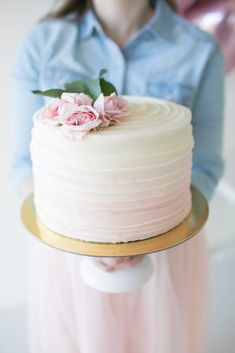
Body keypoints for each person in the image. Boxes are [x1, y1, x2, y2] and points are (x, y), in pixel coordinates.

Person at [11, 0, 224, 352]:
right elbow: (23, 163)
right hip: (68, 250)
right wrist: (85, 233)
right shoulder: (43, 43)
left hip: (168, 248)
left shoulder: (199, 49)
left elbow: (205, 165)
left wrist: (147, 231)